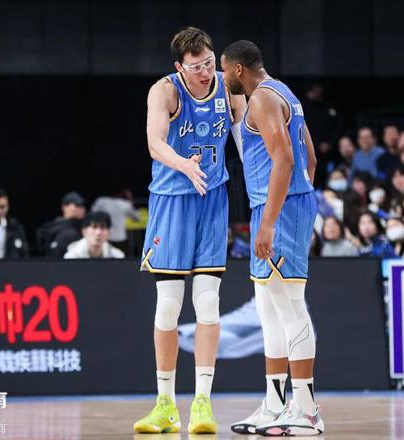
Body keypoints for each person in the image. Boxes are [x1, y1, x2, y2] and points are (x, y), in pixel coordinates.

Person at [134, 27, 246, 435]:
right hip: (171, 200)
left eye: (209, 63)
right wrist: (183, 164)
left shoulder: (229, 87)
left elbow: (243, 137)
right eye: (196, 67)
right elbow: (154, 142)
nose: (204, 72)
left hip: (212, 200)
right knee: (168, 305)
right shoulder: (165, 91)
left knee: (209, 301)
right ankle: (165, 403)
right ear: (179, 67)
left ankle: (202, 402)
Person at [221, 40, 324, 435]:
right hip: (282, 205)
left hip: (277, 210)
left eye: (225, 70)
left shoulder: (263, 99)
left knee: (291, 306)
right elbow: (310, 159)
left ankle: (307, 410)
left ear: (239, 69)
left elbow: (286, 160)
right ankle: (275, 404)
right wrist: (299, 197)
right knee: (267, 307)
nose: (224, 78)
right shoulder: (284, 92)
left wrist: (270, 221)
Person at [36, 191, 86, 258]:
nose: (81, 209)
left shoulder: (84, 226)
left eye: (82, 206)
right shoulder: (51, 227)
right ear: (64, 207)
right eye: (77, 205)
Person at [91, 188, 139, 253]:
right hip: (120, 237)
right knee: (121, 257)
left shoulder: (102, 201)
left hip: (105, 237)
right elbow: (136, 217)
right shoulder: (125, 204)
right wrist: (130, 198)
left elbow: (92, 215)